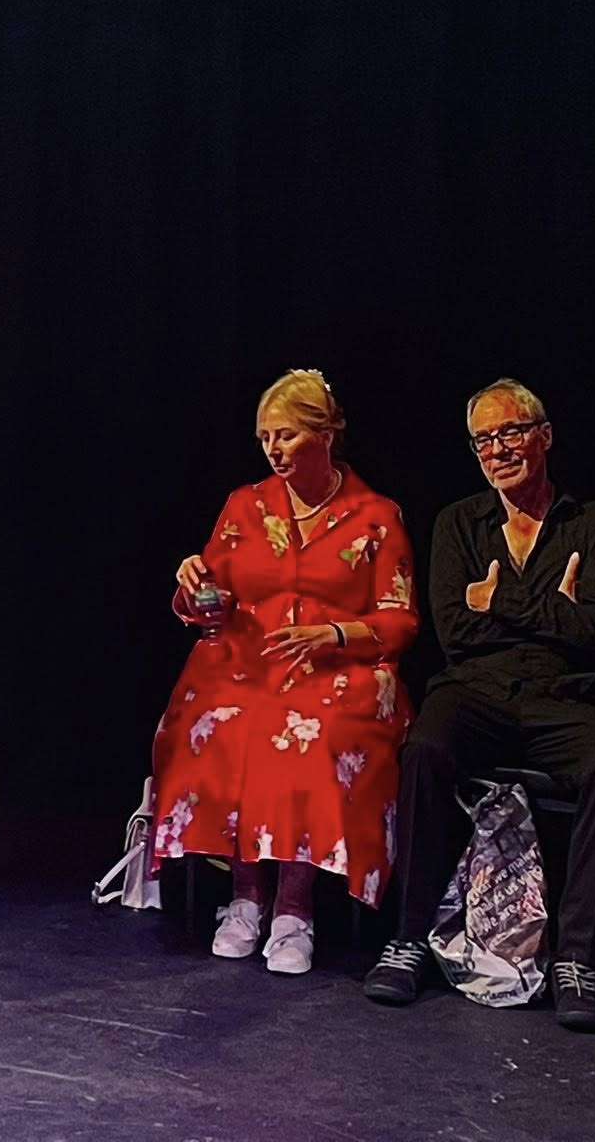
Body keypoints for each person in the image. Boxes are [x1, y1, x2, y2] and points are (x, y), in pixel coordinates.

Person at [150, 369, 418, 974]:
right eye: (266, 437)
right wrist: (194, 587)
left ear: (326, 435)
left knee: (304, 737)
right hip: (245, 664)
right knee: (223, 726)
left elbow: (400, 619)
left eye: (288, 435)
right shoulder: (244, 506)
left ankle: (295, 908)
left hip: (337, 669)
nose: (273, 449)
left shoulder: (376, 516)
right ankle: (245, 896)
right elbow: (209, 606)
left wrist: (335, 634)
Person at [364, 380, 595, 1030]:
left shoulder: (591, 524)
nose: (498, 450)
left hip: (563, 695)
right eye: (484, 440)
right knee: (424, 749)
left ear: (544, 436)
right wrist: (556, 610)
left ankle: (578, 958)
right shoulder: (458, 523)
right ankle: (409, 938)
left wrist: (498, 600)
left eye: (511, 432)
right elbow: (455, 631)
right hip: (477, 691)